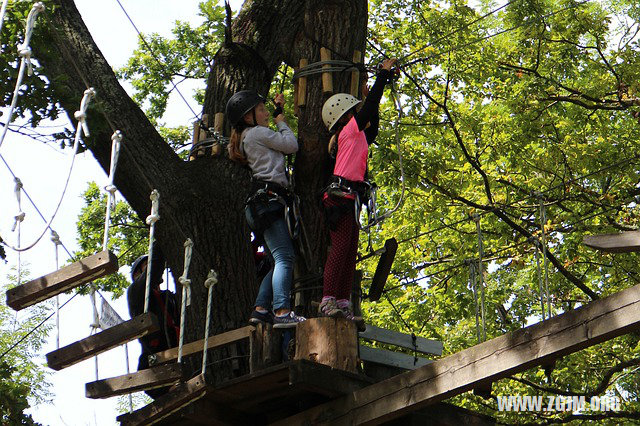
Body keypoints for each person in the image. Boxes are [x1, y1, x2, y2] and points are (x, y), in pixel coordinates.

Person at [319, 57, 397, 328]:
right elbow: (370, 109)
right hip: (340, 198)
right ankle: (328, 300)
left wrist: (368, 92)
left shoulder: (358, 135)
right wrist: (382, 76)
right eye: (355, 110)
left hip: (350, 199)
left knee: (350, 252)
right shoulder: (347, 132)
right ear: (346, 116)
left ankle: (342, 301)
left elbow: (372, 123)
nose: (359, 114)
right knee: (339, 251)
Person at [227, 89, 306, 328]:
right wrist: (281, 123)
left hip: (259, 206)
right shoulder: (258, 133)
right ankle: (281, 311)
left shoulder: (248, 136)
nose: (266, 113)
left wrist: (278, 111)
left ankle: (261, 309)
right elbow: (291, 145)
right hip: (268, 203)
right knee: (285, 257)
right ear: (248, 117)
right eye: (261, 110)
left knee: (276, 260)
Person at [127, 246, 180, 399]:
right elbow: (155, 267)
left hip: (179, 354)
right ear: (138, 274)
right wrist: (159, 239)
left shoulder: (168, 297)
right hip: (156, 364)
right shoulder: (136, 291)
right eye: (146, 265)